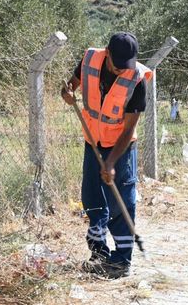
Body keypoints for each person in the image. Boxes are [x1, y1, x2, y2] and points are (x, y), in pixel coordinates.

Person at [61, 32, 152, 279]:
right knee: (92, 198)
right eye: (118, 64)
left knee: (121, 201)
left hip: (121, 148)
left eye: (128, 65)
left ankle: (122, 261)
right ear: (107, 52)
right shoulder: (90, 60)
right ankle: (99, 252)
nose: (123, 69)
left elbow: (129, 128)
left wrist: (111, 161)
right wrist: (67, 93)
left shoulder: (137, 79)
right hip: (93, 141)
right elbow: (70, 85)